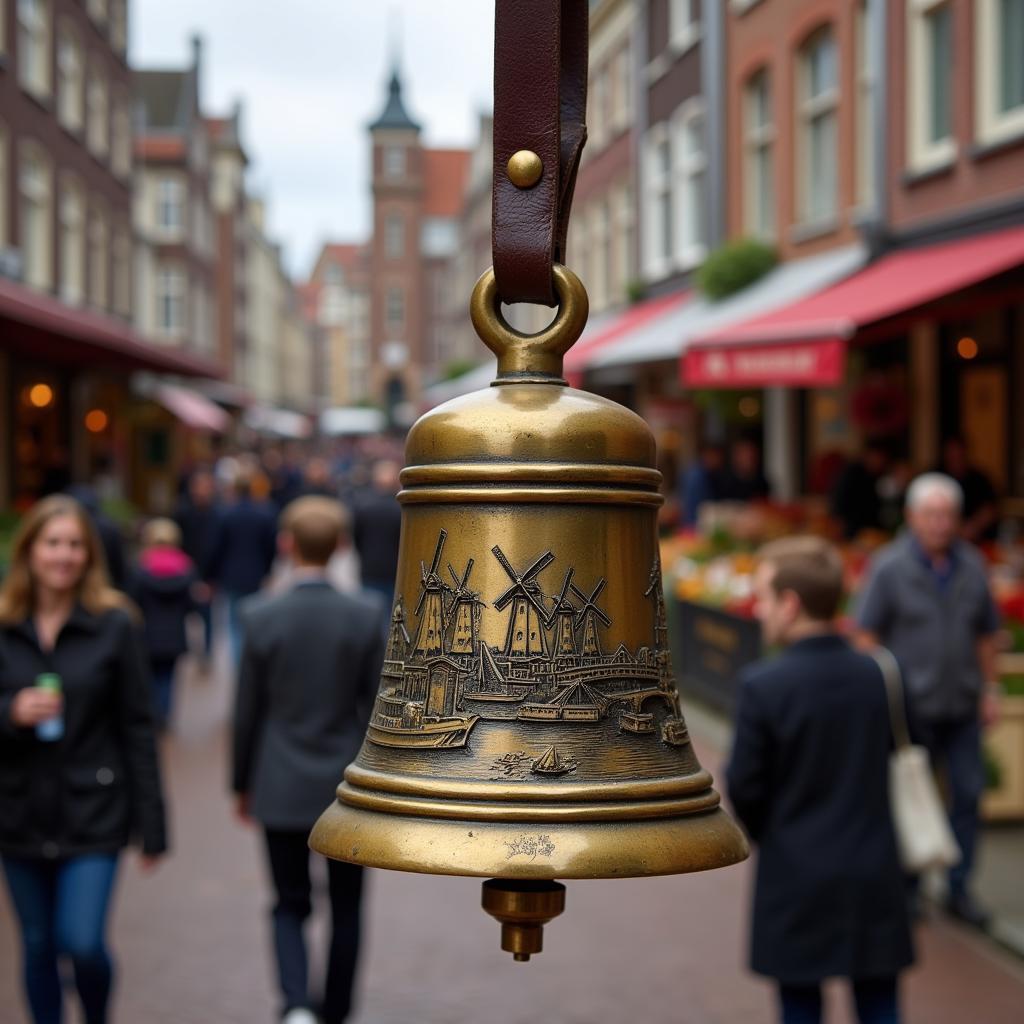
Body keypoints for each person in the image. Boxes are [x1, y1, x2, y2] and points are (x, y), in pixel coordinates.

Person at [727, 536, 914, 1024]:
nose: (757, 609)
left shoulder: (764, 686)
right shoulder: (881, 676)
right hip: (875, 868)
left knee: (800, 1009)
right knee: (880, 1006)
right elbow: (903, 755)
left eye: (764, 597)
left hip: (796, 873)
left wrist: (779, 831)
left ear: (791, 605)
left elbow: (745, 785)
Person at [0, 495, 167, 1024]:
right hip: (17, 810)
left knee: (83, 941)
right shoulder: (3, 624)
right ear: (29, 551)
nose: (64, 556)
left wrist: (153, 824)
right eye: (53, 543)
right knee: (37, 943)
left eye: (75, 545)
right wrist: (9, 712)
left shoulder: (114, 624)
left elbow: (138, 726)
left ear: (89, 555)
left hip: (94, 808)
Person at [232, 497, 386, 1024]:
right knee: (347, 907)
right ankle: (336, 1010)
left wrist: (241, 784)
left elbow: (246, 712)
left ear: (285, 544)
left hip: (278, 779)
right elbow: (376, 712)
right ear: (342, 545)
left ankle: (297, 1004)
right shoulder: (365, 616)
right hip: (346, 785)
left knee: (287, 901)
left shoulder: (258, 615)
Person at [855, 473, 1001, 928]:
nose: (940, 524)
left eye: (948, 516)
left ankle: (959, 889)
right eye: (931, 515)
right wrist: (880, 692)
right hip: (908, 709)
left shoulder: (973, 564)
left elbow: (986, 635)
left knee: (968, 794)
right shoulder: (889, 566)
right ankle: (910, 890)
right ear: (913, 517)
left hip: (962, 703)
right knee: (911, 796)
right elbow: (864, 634)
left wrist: (990, 689)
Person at [128, 519, 198, 730]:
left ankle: (152, 714)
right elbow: (191, 605)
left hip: (146, 632)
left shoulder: (141, 568)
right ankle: (164, 716)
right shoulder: (185, 569)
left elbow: (132, 601)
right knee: (168, 678)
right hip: (174, 633)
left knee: (147, 678)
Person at [206, 473, 278, 665]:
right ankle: (252, 662)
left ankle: (240, 665)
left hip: (230, 575)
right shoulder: (264, 514)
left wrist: (211, 575)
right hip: (256, 574)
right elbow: (270, 547)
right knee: (253, 622)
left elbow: (216, 547)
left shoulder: (225, 514)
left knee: (234, 624)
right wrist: (268, 570)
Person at [175, 468, 221, 661]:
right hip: (184, 572)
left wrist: (213, 578)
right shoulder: (182, 511)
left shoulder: (217, 513)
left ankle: (206, 654)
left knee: (208, 616)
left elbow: (219, 546)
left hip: (208, 573)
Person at [351, 459, 403, 609]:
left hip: (370, 569)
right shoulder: (401, 510)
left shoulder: (364, 507)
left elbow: (357, 539)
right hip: (395, 570)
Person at [938, 436, 999, 544]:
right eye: (951, 455)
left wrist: (974, 526)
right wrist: (955, 528)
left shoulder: (980, 478)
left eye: (959, 455)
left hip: (978, 541)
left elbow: (990, 509)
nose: (955, 459)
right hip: (943, 539)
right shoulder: (935, 476)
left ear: (965, 454)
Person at [829, 441, 891, 540]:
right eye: (878, 458)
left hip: (871, 527)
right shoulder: (851, 474)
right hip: (852, 527)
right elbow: (839, 500)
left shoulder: (879, 475)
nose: (880, 462)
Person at [680, 442, 727, 528]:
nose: (719, 461)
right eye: (717, 456)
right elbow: (696, 508)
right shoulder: (697, 476)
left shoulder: (705, 473)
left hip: (692, 524)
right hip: (694, 526)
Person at [721, 437, 772, 503]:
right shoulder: (725, 482)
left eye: (751, 454)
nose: (748, 458)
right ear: (736, 457)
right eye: (744, 454)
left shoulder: (761, 481)